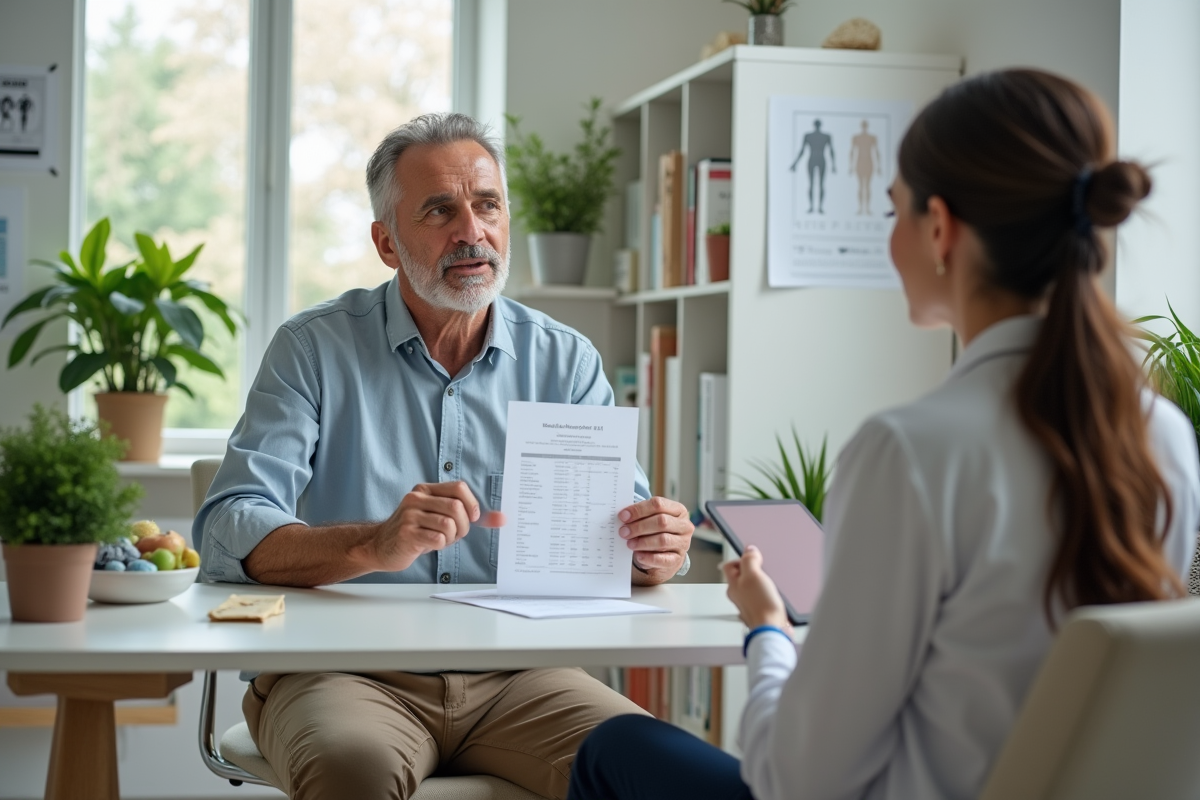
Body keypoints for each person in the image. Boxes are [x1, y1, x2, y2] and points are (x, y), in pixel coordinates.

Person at [567, 68, 1200, 800]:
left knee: (613, 745)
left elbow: (796, 780)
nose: (889, 237)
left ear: (941, 228)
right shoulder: (1166, 438)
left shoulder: (913, 450)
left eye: (891, 212)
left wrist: (768, 632)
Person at [194, 112, 694, 800]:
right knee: (352, 772)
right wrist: (373, 543)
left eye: (487, 204)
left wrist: (652, 549)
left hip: (523, 678)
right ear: (387, 243)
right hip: (342, 672)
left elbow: (620, 547)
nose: (472, 231)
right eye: (440, 210)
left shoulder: (566, 360)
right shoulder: (312, 349)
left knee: (665, 771)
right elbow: (227, 528)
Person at [789, 119, 835, 214]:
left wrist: (834, 164)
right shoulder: (808, 136)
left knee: (820, 185)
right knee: (813, 184)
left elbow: (831, 151)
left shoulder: (826, 136)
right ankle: (812, 207)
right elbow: (802, 150)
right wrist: (795, 163)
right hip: (814, 160)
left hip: (819, 159)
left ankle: (819, 207)